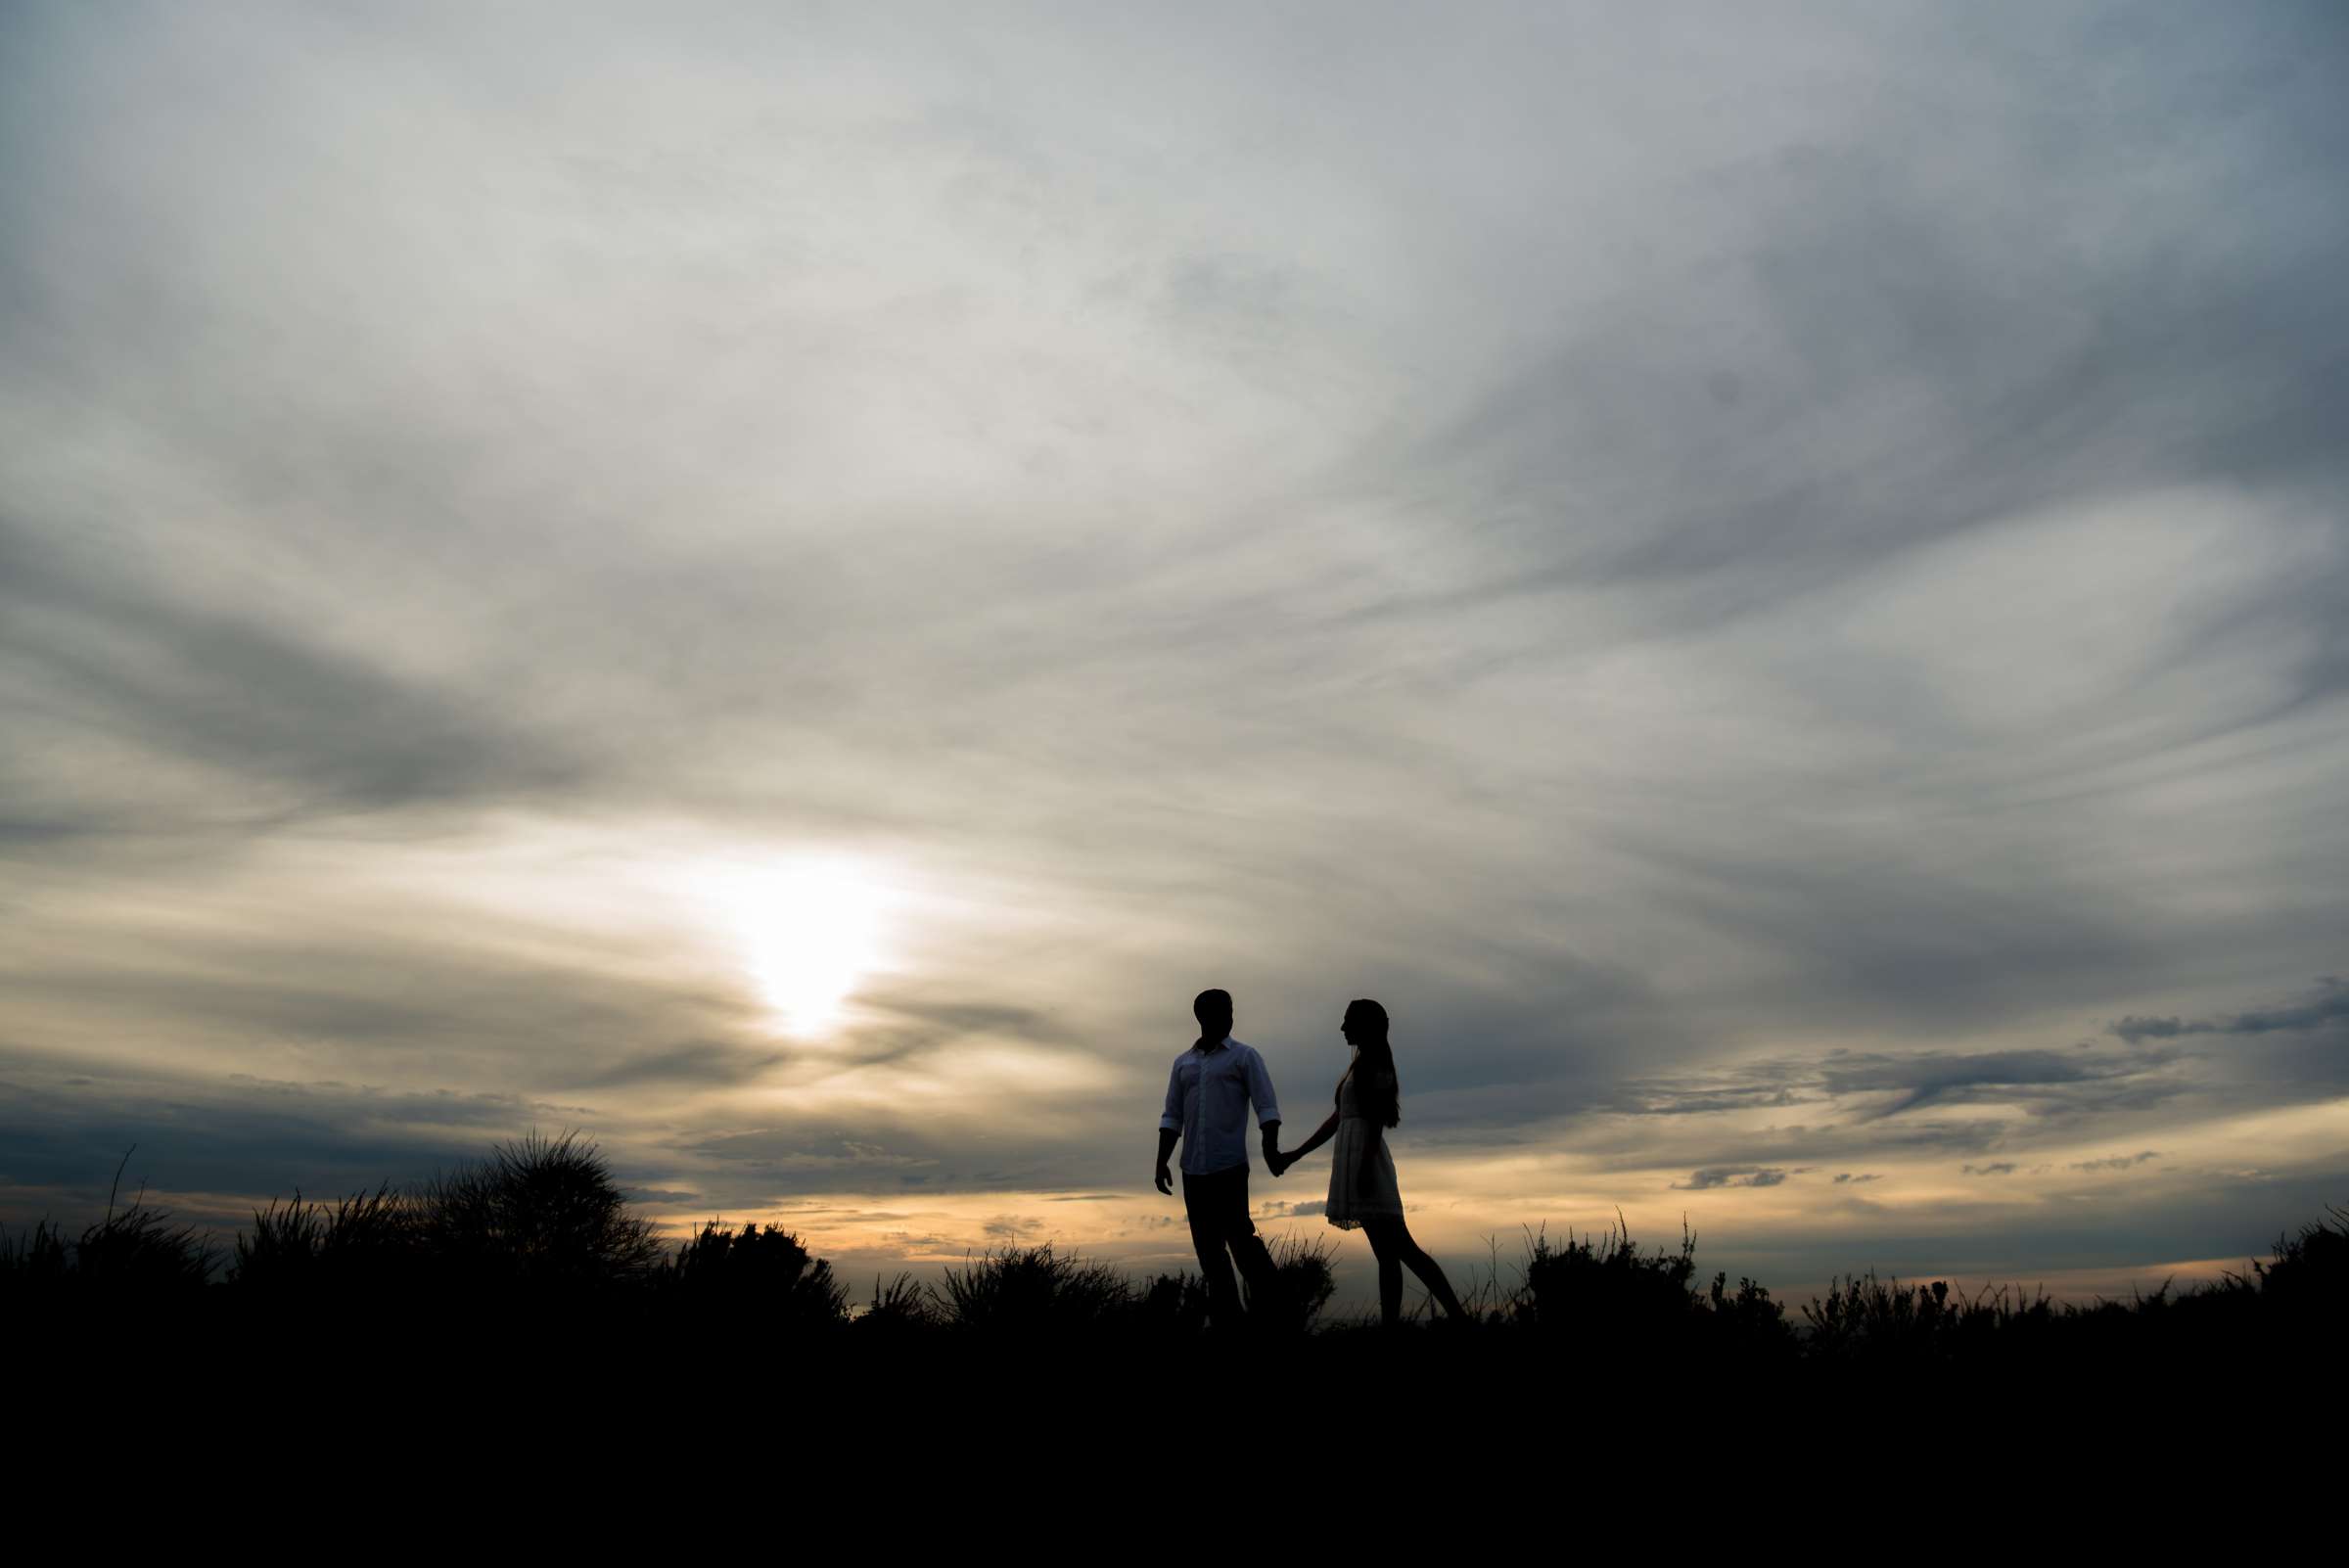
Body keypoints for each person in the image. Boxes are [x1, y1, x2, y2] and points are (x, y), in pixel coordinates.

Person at [1270, 998, 1467, 1327]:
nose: (1343, 1028)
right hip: (1357, 1162)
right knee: (1390, 1255)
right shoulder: (1361, 1065)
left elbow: (1375, 1123)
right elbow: (1339, 1119)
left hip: (1367, 1164)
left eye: (1348, 1022)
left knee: (1403, 1250)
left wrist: (1363, 1169)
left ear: (1364, 1026)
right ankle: (1398, 1325)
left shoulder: (1376, 1065)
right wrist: (1295, 1155)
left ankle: (1458, 1318)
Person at [1155, 988, 1284, 1328]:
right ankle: (1231, 1321)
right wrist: (1161, 1162)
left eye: (1230, 1010)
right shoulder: (1183, 1063)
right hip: (1193, 1171)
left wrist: (1271, 1149)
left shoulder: (1244, 1057)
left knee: (1242, 1241)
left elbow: (1266, 1106)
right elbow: (1172, 1116)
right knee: (1209, 1252)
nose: (1229, 1017)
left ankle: (1275, 1311)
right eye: (1221, 1011)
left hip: (1229, 1166)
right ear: (1202, 1016)